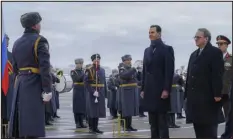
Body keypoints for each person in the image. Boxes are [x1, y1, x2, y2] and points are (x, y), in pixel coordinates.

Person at [8, 12, 52, 138]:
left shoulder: (16, 43)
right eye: (39, 23)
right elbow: (44, 67)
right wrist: (47, 90)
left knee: (21, 123)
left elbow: (15, 68)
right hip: (34, 84)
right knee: (33, 123)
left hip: (20, 83)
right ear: (35, 26)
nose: (40, 26)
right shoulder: (40, 41)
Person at [184, 28, 224, 138]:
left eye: (198, 37)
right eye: (195, 37)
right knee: (199, 131)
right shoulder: (193, 54)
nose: (195, 39)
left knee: (209, 131)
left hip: (208, 99)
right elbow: (189, 77)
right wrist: (186, 95)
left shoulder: (215, 52)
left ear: (206, 38)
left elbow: (217, 74)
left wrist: (217, 94)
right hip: (195, 100)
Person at [141, 25, 174, 138]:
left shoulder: (167, 49)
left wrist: (166, 89)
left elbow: (169, 71)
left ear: (159, 34)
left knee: (162, 122)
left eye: (153, 32)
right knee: (152, 123)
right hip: (149, 90)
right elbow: (145, 71)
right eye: (149, 32)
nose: (150, 34)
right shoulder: (147, 51)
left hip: (160, 90)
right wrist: (143, 88)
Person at [84, 54, 107, 134]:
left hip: (100, 92)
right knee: (92, 111)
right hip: (92, 92)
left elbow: (104, 82)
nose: (97, 61)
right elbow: (86, 83)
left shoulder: (102, 70)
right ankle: (91, 128)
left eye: (98, 59)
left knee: (97, 111)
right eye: (95, 60)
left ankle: (96, 127)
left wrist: (105, 93)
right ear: (93, 61)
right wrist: (93, 91)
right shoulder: (89, 70)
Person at [217, 35, 233, 139]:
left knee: (229, 116)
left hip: (227, 92)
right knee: (213, 116)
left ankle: (228, 135)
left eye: (222, 43)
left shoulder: (230, 59)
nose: (219, 46)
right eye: (218, 44)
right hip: (215, 92)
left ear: (226, 45)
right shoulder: (214, 58)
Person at [118, 54, 139, 131]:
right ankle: (125, 126)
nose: (129, 61)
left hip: (132, 90)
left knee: (130, 109)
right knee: (126, 109)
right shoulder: (122, 68)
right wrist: (133, 69)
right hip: (126, 90)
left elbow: (135, 78)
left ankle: (129, 125)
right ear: (124, 61)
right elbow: (124, 76)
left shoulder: (131, 68)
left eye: (130, 60)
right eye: (127, 60)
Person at [70, 58, 87, 128]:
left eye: (81, 63)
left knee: (83, 107)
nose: (80, 65)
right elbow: (77, 79)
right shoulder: (73, 72)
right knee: (77, 107)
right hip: (77, 91)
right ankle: (77, 122)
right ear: (76, 64)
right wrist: (85, 73)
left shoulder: (83, 71)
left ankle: (81, 122)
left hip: (83, 90)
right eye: (79, 63)